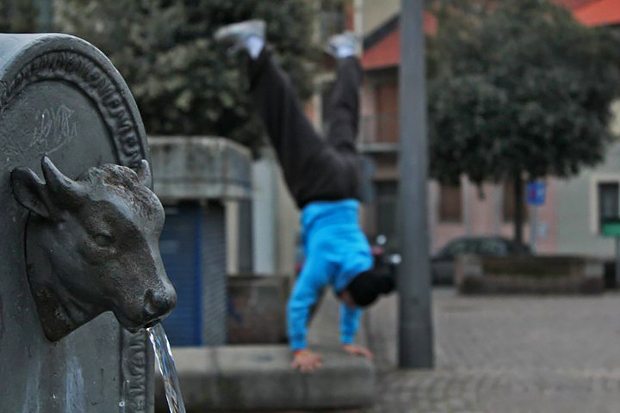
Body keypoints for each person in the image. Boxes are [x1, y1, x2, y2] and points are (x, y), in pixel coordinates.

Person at [215, 20, 395, 373]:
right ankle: (256, 46)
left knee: (344, 119)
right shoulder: (327, 263)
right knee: (287, 121)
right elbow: (299, 303)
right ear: (346, 290)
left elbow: (353, 303)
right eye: (346, 300)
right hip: (318, 184)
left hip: (349, 179)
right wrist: (299, 349)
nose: (345, 303)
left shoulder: (361, 262)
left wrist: (347, 340)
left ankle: (346, 54)